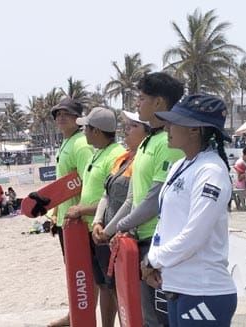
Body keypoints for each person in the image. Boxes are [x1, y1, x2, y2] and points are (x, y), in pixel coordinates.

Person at [142, 94, 238, 326]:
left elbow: (194, 236)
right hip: (176, 285)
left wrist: (153, 260)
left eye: (174, 122)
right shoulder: (180, 165)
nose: (167, 127)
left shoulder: (211, 170)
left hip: (204, 290)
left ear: (195, 130)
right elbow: (164, 223)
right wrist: (154, 260)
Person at [112, 72, 185, 326]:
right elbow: (134, 196)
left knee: (161, 319)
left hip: (159, 241)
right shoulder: (147, 142)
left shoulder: (167, 142)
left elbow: (155, 199)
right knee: (148, 317)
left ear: (159, 102)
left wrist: (120, 226)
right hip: (142, 240)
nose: (137, 103)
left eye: (141, 98)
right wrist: (113, 229)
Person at [65, 107, 126, 327]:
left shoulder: (116, 155)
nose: (84, 132)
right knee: (103, 285)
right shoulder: (98, 152)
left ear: (97, 131)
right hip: (92, 231)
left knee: (116, 287)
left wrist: (82, 210)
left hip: (106, 232)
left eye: (86, 128)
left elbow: (112, 199)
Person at [92, 110, 150, 325]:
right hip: (108, 234)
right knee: (114, 289)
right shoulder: (123, 158)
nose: (126, 131)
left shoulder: (141, 162)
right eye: (126, 126)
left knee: (129, 298)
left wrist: (108, 231)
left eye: (133, 126)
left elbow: (130, 202)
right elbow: (106, 194)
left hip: (122, 237)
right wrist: (97, 221)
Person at [47, 98, 95, 327]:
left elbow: (89, 182)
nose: (61, 117)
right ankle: (74, 314)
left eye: (66, 113)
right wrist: (54, 214)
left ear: (78, 118)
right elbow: (63, 185)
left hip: (80, 222)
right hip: (65, 221)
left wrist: (83, 213)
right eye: (58, 114)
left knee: (84, 274)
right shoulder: (66, 142)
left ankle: (82, 317)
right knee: (73, 272)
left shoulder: (81, 144)